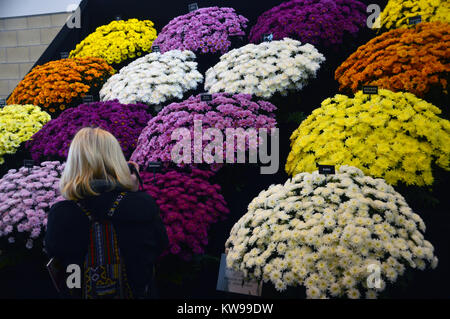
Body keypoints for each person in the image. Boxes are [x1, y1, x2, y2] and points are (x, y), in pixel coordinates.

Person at [44, 127, 168, 298]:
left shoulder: (61, 214)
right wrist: (132, 191)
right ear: (117, 161)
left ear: (74, 165)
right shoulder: (142, 204)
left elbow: (55, 257)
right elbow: (160, 245)